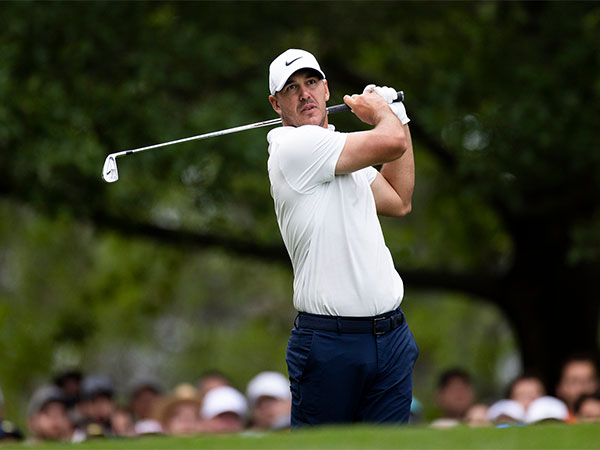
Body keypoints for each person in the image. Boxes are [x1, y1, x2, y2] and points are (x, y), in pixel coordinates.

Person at [267, 48, 417, 427]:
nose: (305, 94)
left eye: (312, 83)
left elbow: (399, 199)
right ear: (276, 103)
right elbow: (391, 143)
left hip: (391, 336)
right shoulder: (293, 147)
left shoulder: (338, 150)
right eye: (291, 88)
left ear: (327, 90)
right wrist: (384, 113)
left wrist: (398, 116)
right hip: (329, 344)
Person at [555, 353, 599, 422]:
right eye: (574, 382)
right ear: (560, 389)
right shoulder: (554, 421)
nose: (583, 388)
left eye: (589, 381)